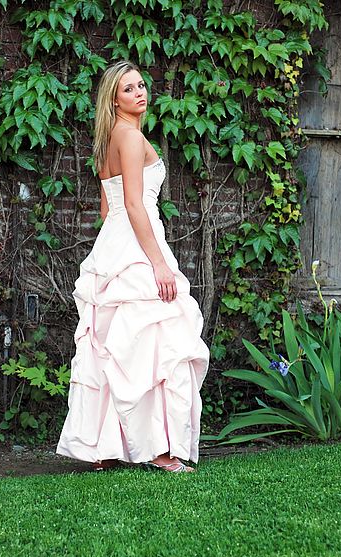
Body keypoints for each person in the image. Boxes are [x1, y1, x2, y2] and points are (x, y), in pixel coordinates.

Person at [56, 60, 210, 473]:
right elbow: (135, 204)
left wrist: (117, 249)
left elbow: (109, 209)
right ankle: (159, 450)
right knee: (155, 345)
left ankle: (105, 448)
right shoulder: (128, 136)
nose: (140, 92)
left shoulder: (110, 138)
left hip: (118, 240)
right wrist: (157, 263)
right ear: (114, 98)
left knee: (114, 346)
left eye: (142, 85)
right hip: (140, 241)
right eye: (129, 89)